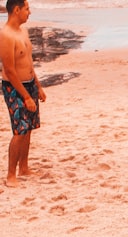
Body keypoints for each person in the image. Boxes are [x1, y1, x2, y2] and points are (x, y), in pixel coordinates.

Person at [2, 0, 45, 188]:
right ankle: (11, 175)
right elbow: (9, 70)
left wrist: (38, 86)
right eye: (27, 9)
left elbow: (28, 62)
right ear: (16, 9)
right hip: (14, 87)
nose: (30, 12)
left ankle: (24, 168)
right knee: (20, 129)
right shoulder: (5, 35)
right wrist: (25, 97)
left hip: (30, 85)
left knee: (29, 128)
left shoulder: (23, 32)